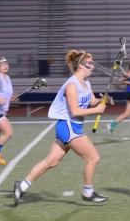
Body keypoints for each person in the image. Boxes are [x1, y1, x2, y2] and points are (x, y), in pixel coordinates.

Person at [12, 50, 110, 206]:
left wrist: (102, 100)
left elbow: (92, 102)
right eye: (89, 63)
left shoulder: (86, 83)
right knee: (94, 158)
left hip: (72, 126)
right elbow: (76, 111)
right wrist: (96, 111)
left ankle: (21, 186)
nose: (93, 66)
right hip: (69, 126)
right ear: (80, 66)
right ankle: (88, 192)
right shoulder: (72, 85)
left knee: (51, 161)